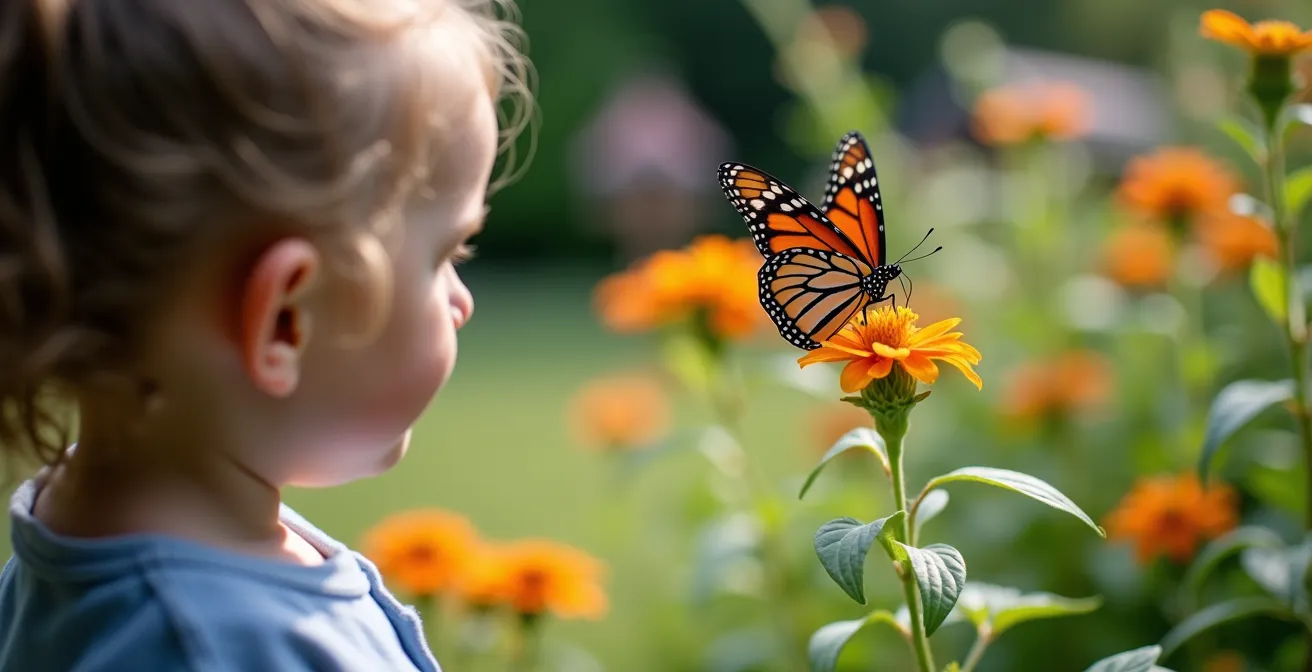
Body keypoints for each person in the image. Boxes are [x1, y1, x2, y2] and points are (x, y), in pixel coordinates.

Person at [0, 0, 531, 669]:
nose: (464, 303)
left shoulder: (111, 537)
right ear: (287, 318)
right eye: (446, 256)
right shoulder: (216, 648)